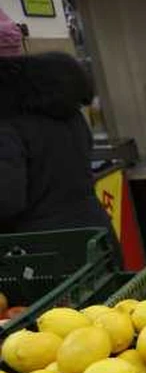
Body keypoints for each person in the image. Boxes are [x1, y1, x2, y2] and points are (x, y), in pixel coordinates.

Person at [0, 48, 113, 234]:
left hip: (46, 245)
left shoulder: (9, 126)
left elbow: (7, 200)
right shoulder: (73, 115)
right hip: (95, 230)